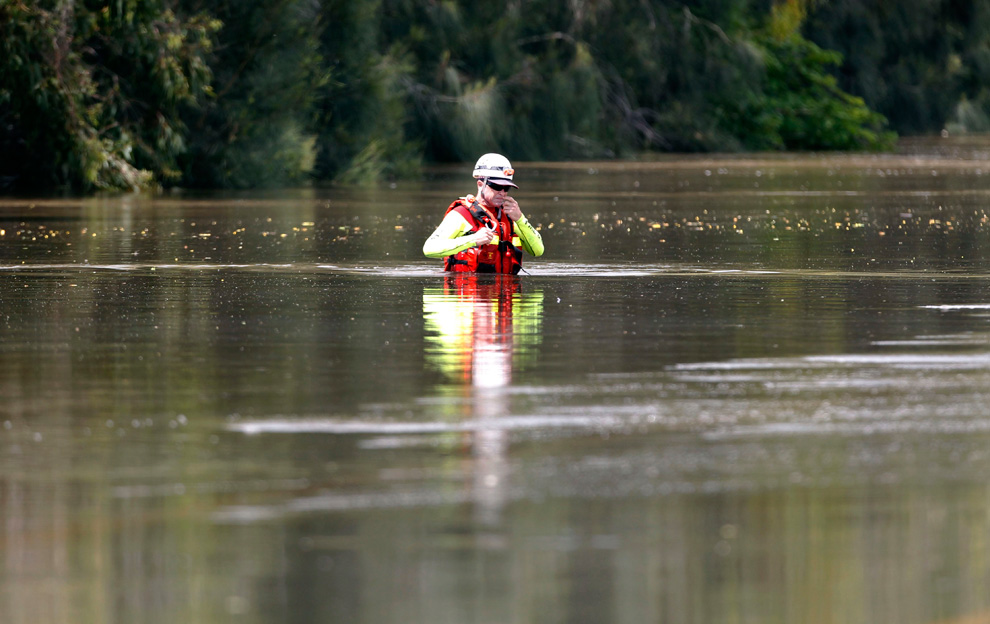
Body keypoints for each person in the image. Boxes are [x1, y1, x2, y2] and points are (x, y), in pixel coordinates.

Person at [423, 153, 544, 274]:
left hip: (506, 292)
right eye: (496, 186)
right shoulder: (461, 214)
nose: (502, 192)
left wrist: (520, 219)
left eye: (506, 188)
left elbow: (538, 251)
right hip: (467, 289)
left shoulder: (510, 216)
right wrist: (474, 239)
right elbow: (429, 249)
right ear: (481, 184)